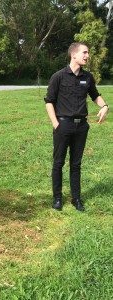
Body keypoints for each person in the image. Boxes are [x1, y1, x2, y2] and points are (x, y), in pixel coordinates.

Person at [45, 42, 109, 211]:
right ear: (73, 55)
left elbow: (95, 95)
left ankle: (76, 199)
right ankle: (57, 198)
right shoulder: (58, 76)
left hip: (81, 127)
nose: (87, 56)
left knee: (76, 164)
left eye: (87, 53)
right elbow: (49, 102)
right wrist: (56, 124)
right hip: (63, 125)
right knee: (58, 163)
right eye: (85, 53)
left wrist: (104, 106)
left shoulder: (87, 77)